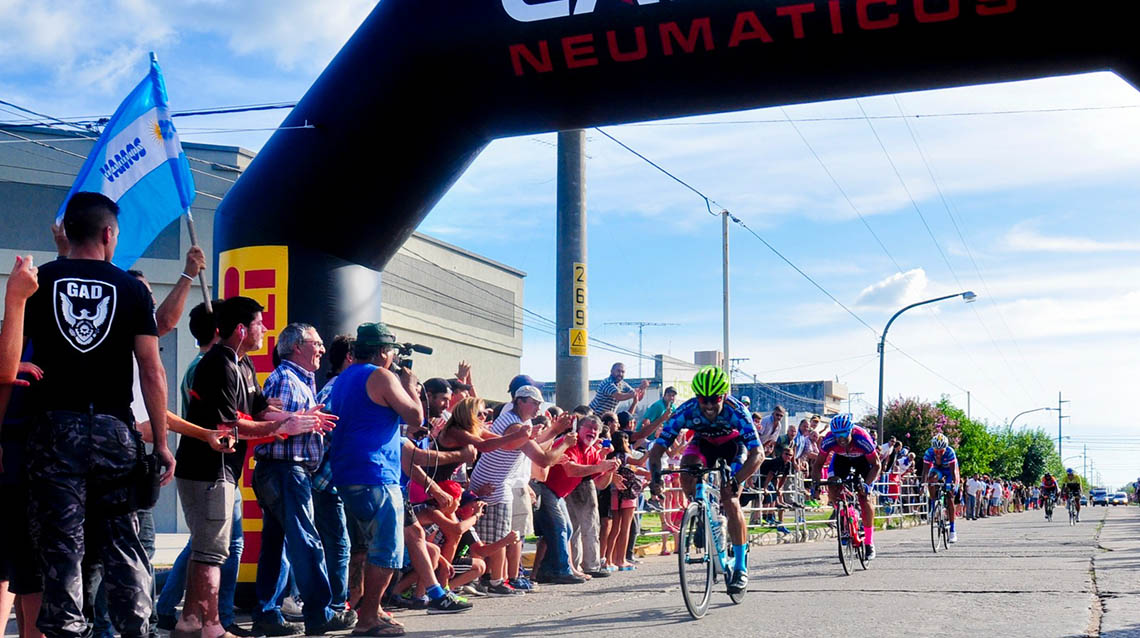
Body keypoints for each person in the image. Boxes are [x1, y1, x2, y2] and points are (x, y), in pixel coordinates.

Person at [21, 192, 174, 638]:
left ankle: (67, 630)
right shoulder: (129, 288)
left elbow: (11, 349)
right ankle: (134, 630)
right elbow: (151, 368)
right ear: (108, 234)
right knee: (124, 546)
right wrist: (161, 443)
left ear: (67, 233)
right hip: (114, 431)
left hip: (53, 429)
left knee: (62, 548)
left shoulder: (40, 281)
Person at [174, 297, 331, 638]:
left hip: (225, 470)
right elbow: (229, 426)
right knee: (212, 551)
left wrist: (296, 419)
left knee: (211, 546)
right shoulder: (219, 364)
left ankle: (189, 622)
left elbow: (259, 411)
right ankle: (212, 626)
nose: (266, 329)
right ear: (242, 329)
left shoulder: (243, 365)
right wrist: (281, 428)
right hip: (206, 469)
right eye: (261, 323)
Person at [327, 322, 473, 636]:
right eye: (391, 351)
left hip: (348, 472)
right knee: (386, 551)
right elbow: (415, 417)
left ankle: (373, 610)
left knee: (370, 547)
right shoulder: (380, 375)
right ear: (383, 351)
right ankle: (367, 621)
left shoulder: (344, 377)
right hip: (375, 473)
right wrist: (411, 384)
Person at [252, 323, 356, 635]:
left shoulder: (297, 380)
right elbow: (267, 423)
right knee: (305, 542)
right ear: (297, 346)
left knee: (276, 543)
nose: (322, 350)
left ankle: (268, 613)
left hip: (283, 471)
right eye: (317, 343)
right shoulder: (285, 379)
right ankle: (319, 612)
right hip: (285, 470)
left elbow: (279, 422)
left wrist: (308, 423)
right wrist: (297, 422)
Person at [647, 366, 763, 594]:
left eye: (714, 400)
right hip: (704, 444)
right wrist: (655, 478)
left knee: (730, 499)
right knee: (687, 467)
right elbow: (658, 448)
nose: (709, 406)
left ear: (724, 396)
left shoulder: (736, 411)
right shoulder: (687, 410)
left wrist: (737, 480)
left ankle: (740, 568)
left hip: (733, 446)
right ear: (697, 398)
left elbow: (758, 454)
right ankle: (699, 510)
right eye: (704, 400)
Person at [468, 385, 575, 593]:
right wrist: (565, 443)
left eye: (539, 404)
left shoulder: (517, 420)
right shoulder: (515, 426)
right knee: (498, 538)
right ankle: (494, 581)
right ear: (520, 401)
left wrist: (553, 431)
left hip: (497, 483)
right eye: (534, 403)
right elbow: (543, 460)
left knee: (500, 536)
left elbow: (531, 445)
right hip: (494, 484)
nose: (537, 408)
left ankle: (493, 578)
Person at [810, 414, 881, 560]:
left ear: (851, 431)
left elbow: (876, 465)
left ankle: (869, 543)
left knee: (864, 496)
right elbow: (817, 465)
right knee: (833, 485)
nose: (841, 438)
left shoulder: (862, 438)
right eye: (837, 435)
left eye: (844, 434)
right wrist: (815, 484)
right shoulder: (829, 439)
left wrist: (867, 486)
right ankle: (844, 517)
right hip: (841, 460)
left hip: (864, 462)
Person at [924, 434, 961, 543]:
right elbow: (925, 472)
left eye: (941, 451)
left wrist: (954, 484)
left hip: (949, 471)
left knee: (950, 497)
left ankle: (953, 531)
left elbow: (953, 472)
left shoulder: (950, 452)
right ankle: (933, 504)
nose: (939, 453)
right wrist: (923, 485)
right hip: (937, 470)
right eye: (936, 451)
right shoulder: (929, 453)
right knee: (931, 480)